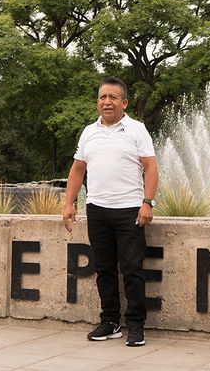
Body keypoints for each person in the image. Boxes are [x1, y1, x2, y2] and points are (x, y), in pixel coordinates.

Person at [62, 76, 158, 347]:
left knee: (132, 269)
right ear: (97, 102)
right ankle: (110, 322)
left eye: (113, 97)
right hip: (97, 209)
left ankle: (136, 325)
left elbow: (151, 167)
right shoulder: (88, 132)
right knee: (103, 269)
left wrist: (147, 202)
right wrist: (69, 203)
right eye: (103, 97)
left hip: (130, 210)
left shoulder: (137, 129)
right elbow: (78, 169)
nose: (107, 102)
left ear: (123, 102)